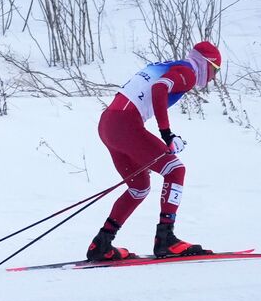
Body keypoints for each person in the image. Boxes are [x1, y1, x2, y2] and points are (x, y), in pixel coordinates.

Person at [87, 42, 222, 261]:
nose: (213, 77)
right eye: (215, 70)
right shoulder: (188, 71)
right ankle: (166, 239)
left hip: (108, 124)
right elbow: (159, 88)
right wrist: (167, 134)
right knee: (175, 170)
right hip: (124, 124)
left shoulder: (173, 66)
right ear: (206, 64)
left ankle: (101, 243)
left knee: (139, 187)